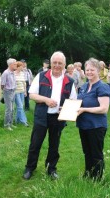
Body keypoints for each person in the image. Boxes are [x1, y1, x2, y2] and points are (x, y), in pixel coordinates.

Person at [23, 51, 77, 180]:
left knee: (54, 145)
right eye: (55, 62)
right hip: (42, 115)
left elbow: (73, 100)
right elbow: (32, 95)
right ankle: (30, 168)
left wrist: (66, 109)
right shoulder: (41, 76)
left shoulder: (69, 81)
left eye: (60, 63)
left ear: (64, 65)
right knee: (35, 143)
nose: (57, 65)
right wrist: (46, 100)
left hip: (58, 118)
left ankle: (51, 169)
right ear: (50, 63)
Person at [77, 58, 110, 181]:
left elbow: (104, 109)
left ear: (98, 70)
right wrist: (66, 109)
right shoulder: (84, 86)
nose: (89, 72)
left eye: (92, 69)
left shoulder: (102, 87)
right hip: (83, 125)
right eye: (87, 70)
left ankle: (97, 178)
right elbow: (78, 102)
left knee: (96, 154)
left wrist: (85, 110)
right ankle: (88, 173)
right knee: (87, 152)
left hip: (96, 126)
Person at [1, 58, 17, 131]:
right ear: (10, 65)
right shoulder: (6, 73)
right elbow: (2, 85)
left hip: (13, 90)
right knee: (9, 109)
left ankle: (10, 123)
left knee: (12, 108)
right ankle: (6, 125)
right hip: (7, 91)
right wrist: (5, 92)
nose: (16, 65)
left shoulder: (13, 72)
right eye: (14, 64)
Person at [14, 61, 29, 126]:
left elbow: (24, 83)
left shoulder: (22, 73)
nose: (22, 67)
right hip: (16, 92)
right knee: (20, 106)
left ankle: (17, 120)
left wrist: (25, 91)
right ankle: (24, 121)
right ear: (17, 67)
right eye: (21, 66)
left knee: (20, 107)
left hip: (22, 92)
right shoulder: (13, 73)